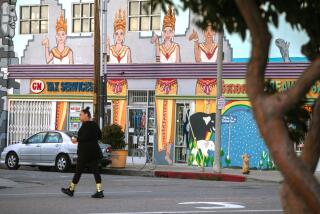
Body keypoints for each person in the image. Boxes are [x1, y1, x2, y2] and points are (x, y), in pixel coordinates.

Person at [61, 107, 104, 198]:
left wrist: (77, 139)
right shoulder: (94, 125)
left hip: (84, 152)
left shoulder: (85, 125)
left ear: (86, 115)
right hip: (94, 152)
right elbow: (100, 136)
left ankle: (71, 189)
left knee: (78, 171)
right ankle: (99, 190)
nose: (79, 116)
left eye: (81, 115)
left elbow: (85, 137)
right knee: (96, 171)